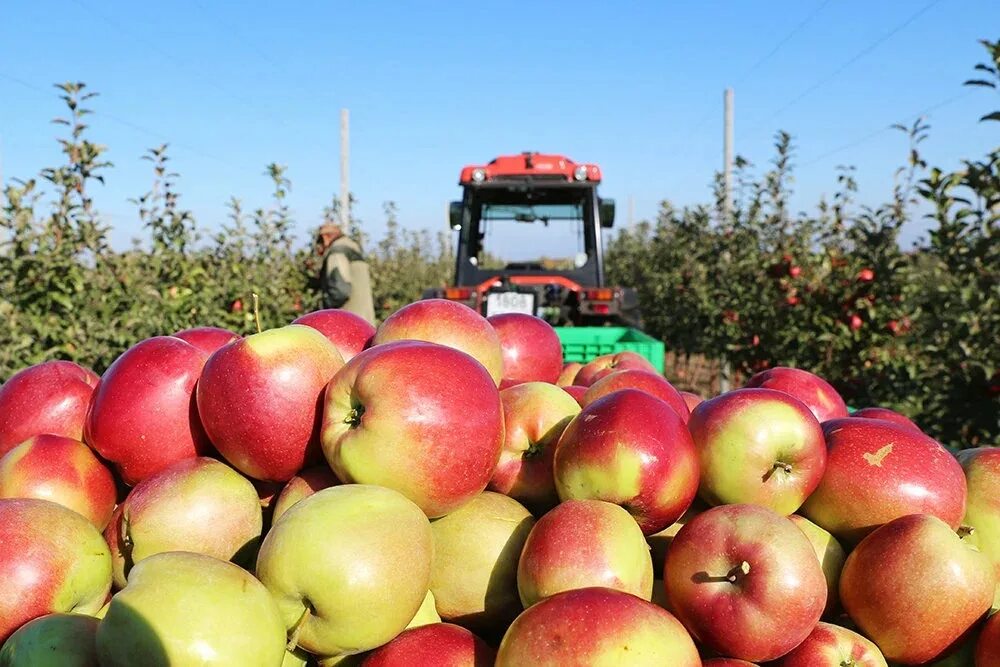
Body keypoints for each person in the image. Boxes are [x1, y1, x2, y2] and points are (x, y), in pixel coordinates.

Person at [314, 223, 376, 324]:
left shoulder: (337, 253)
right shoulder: (353, 248)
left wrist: (322, 307)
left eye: (319, 242)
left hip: (348, 323)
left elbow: (340, 292)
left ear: (325, 237)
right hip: (365, 322)